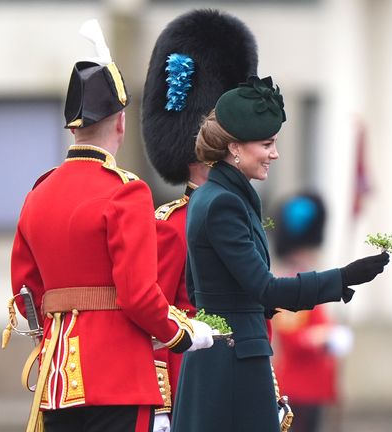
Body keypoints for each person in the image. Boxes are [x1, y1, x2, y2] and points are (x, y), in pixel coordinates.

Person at [8, 20, 213, 432]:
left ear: (73, 127)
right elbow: (138, 295)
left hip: (58, 377)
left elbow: (26, 292)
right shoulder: (126, 192)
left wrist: (50, 340)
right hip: (117, 377)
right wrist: (183, 333)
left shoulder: (38, 194)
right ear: (120, 123)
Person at [170, 76, 390, 432]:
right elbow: (265, 289)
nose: (275, 153)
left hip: (222, 359)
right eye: (267, 143)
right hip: (233, 366)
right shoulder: (225, 203)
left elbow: (202, 292)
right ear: (235, 148)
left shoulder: (212, 197)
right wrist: (343, 277)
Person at [140, 9, 259, 429]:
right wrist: (160, 407)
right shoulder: (170, 225)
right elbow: (154, 321)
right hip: (190, 387)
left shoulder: (243, 216)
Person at [271, 192, 353, 432]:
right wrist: (326, 338)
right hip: (298, 388)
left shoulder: (306, 285)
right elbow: (293, 337)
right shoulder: (291, 284)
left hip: (314, 387)